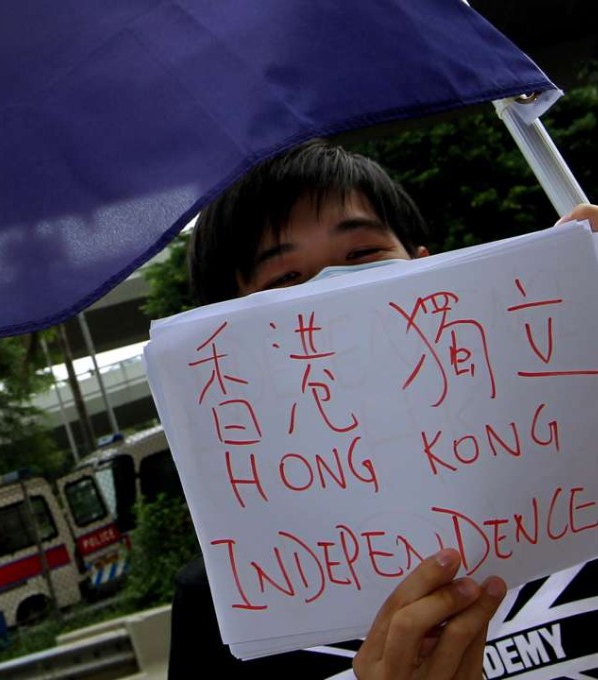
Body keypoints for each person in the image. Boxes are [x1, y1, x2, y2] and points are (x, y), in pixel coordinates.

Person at [169, 140, 598, 679]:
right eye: (285, 280)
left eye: (361, 254)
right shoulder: (226, 608)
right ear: (222, 341)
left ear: (426, 267)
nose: (330, 294)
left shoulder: (578, 477)